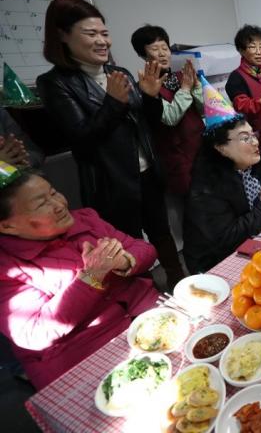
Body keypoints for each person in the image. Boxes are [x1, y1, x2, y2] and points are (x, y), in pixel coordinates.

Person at [35, 0, 185, 288]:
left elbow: (148, 123)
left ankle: (180, 283)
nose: (102, 41)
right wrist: (113, 103)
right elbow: (81, 139)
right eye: (91, 34)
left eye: (104, 33)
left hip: (147, 175)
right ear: (63, 36)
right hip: (111, 184)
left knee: (162, 234)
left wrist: (151, 96)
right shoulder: (55, 83)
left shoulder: (120, 73)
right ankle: (143, 301)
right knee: (126, 247)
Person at [0, 165, 159, 389]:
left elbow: (145, 249)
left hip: (144, 314)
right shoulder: (7, 269)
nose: (59, 205)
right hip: (85, 354)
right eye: (41, 204)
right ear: (7, 226)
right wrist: (92, 276)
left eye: (53, 193)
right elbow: (33, 332)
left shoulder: (86, 219)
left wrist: (124, 262)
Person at [184, 82, 261, 273]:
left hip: (253, 245)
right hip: (216, 264)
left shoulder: (254, 167)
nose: (255, 142)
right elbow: (226, 238)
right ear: (220, 148)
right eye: (245, 138)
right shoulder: (207, 188)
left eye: (253, 135)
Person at [130, 24, 204, 195]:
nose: (163, 53)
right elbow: (169, 118)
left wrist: (197, 87)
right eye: (155, 49)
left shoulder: (180, 75)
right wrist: (186, 89)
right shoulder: (145, 87)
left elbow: (204, 110)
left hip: (200, 146)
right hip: (178, 157)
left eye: (165, 47)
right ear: (143, 54)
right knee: (192, 201)